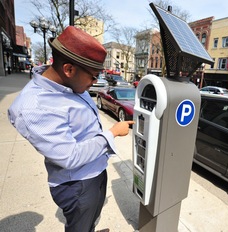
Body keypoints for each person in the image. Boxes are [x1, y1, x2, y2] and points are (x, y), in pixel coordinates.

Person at [8, 26, 134, 232]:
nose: (94, 83)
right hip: (77, 184)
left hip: (95, 170)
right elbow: (69, 157)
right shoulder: (33, 106)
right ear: (68, 69)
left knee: (90, 221)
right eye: (93, 77)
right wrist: (112, 133)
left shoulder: (73, 84)